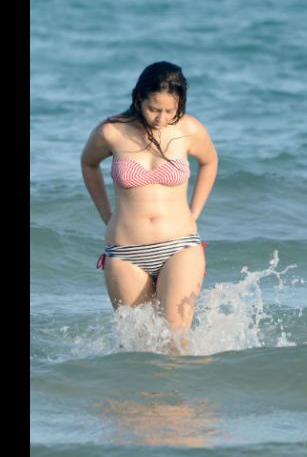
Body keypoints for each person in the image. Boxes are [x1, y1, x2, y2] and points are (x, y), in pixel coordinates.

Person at [81, 61, 218, 352]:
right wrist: (107, 215)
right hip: (126, 253)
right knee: (137, 348)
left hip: (180, 246)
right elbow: (88, 163)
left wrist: (194, 212)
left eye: (170, 110)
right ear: (139, 97)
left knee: (176, 342)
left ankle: (177, 399)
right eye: (154, 109)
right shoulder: (112, 132)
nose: (161, 118)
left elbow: (209, 161)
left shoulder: (189, 129)